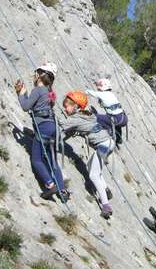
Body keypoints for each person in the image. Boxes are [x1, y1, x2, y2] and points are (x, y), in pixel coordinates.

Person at [15, 62, 68, 201]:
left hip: (43, 127)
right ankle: (62, 190)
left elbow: (26, 106)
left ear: (39, 75)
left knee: (37, 159)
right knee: (52, 159)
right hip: (53, 127)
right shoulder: (50, 93)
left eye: (36, 73)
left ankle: (50, 185)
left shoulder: (38, 90)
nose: (34, 75)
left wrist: (21, 94)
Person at [59, 90, 115, 218]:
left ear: (76, 106)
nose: (64, 108)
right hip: (107, 143)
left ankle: (106, 206)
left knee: (93, 175)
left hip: (103, 145)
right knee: (91, 167)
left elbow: (61, 126)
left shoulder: (76, 118)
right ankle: (105, 189)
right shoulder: (87, 114)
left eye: (67, 106)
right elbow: (71, 131)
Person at [85, 78, 128, 144]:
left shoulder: (103, 94)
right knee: (110, 119)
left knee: (94, 117)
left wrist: (85, 91)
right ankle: (118, 139)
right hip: (123, 118)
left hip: (117, 119)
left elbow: (89, 92)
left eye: (99, 88)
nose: (98, 90)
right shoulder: (111, 94)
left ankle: (108, 132)